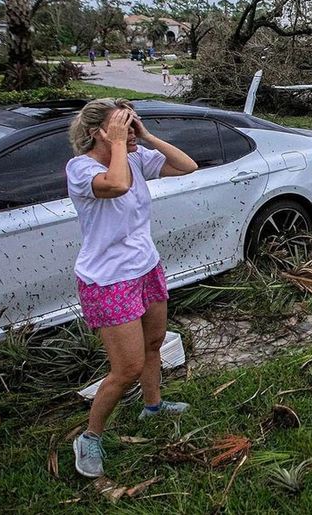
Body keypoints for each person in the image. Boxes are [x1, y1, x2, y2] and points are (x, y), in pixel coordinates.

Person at [66, 99, 198, 478]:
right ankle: (90, 437)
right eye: (121, 124)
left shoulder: (136, 158)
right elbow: (117, 185)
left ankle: (153, 405)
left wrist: (145, 135)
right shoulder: (81, 168)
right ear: (97, 133)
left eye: (130, 122)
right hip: (109, 280)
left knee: (155, 344)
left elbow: (187, 165)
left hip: (146, 268)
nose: (129, 128)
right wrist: (121, 144)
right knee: (126, 368)